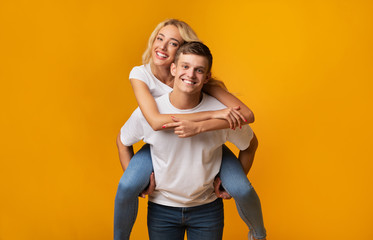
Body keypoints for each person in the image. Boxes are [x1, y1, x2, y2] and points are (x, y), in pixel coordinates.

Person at [114, 19, 266, 240]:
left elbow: (248, 118)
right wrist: (209, 117)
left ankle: (258, 234)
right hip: (158, 154)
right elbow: (154, 122)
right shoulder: (142, 76)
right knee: (128, 184)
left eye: (173, 43)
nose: (163, 47)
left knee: (242, 189)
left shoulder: (207, 87)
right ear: (176, 68)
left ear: (206, 76)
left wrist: (205, 125)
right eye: (160, 38)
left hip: (206, 204)